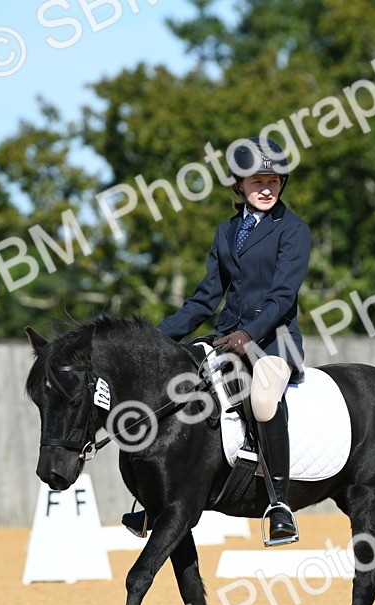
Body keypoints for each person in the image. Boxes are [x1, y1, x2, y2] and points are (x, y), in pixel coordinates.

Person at [123, 136, 310, 545]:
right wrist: (154, 339)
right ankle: (153, 498)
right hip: (229, 338)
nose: (266, 188)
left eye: (274, 181)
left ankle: (279, 504)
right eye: (257, 181)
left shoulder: (293, 230)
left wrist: (249, 333)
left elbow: (283, 296)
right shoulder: (226, 233)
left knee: (262, 398)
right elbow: (204, 299)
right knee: (173, 383)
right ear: (238, 185)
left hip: (276, 341)